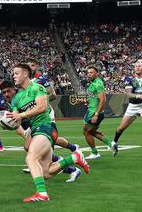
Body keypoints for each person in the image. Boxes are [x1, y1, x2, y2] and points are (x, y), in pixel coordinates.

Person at [7, 63, 89, 202]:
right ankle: (75, 158)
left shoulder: (37, 87)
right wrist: (9, 122)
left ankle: (42, 193)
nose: (13, 76)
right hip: (36, 130)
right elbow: (16, 119)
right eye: (13, 73)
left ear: (26, 74)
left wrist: (21, 115)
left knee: (31, 158)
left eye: (16, 73)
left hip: (46, 127)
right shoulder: (16, 98)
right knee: (46, 172)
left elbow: (42, 107)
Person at [111, 61, 142, 158]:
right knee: (121, 128)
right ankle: (115, 142)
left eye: (139, 66)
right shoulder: (129, 80)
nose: (137, 68)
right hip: (132, 107)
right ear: (134, 69)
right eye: (136, 66)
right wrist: (140, 96)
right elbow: (129, 94)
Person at [82, 65, 113, 160]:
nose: (89, 74)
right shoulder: (92, 83)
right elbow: (93, 98)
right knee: (91, 132)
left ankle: (95, 153)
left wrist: (96, 114)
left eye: (91, 72)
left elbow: (103, 100)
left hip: (94, 113)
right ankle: (111, 144)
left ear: (97, 74)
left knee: (87, 132)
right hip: (90, 111)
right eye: (88, 73)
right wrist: (85, 100)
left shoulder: (98, 84)